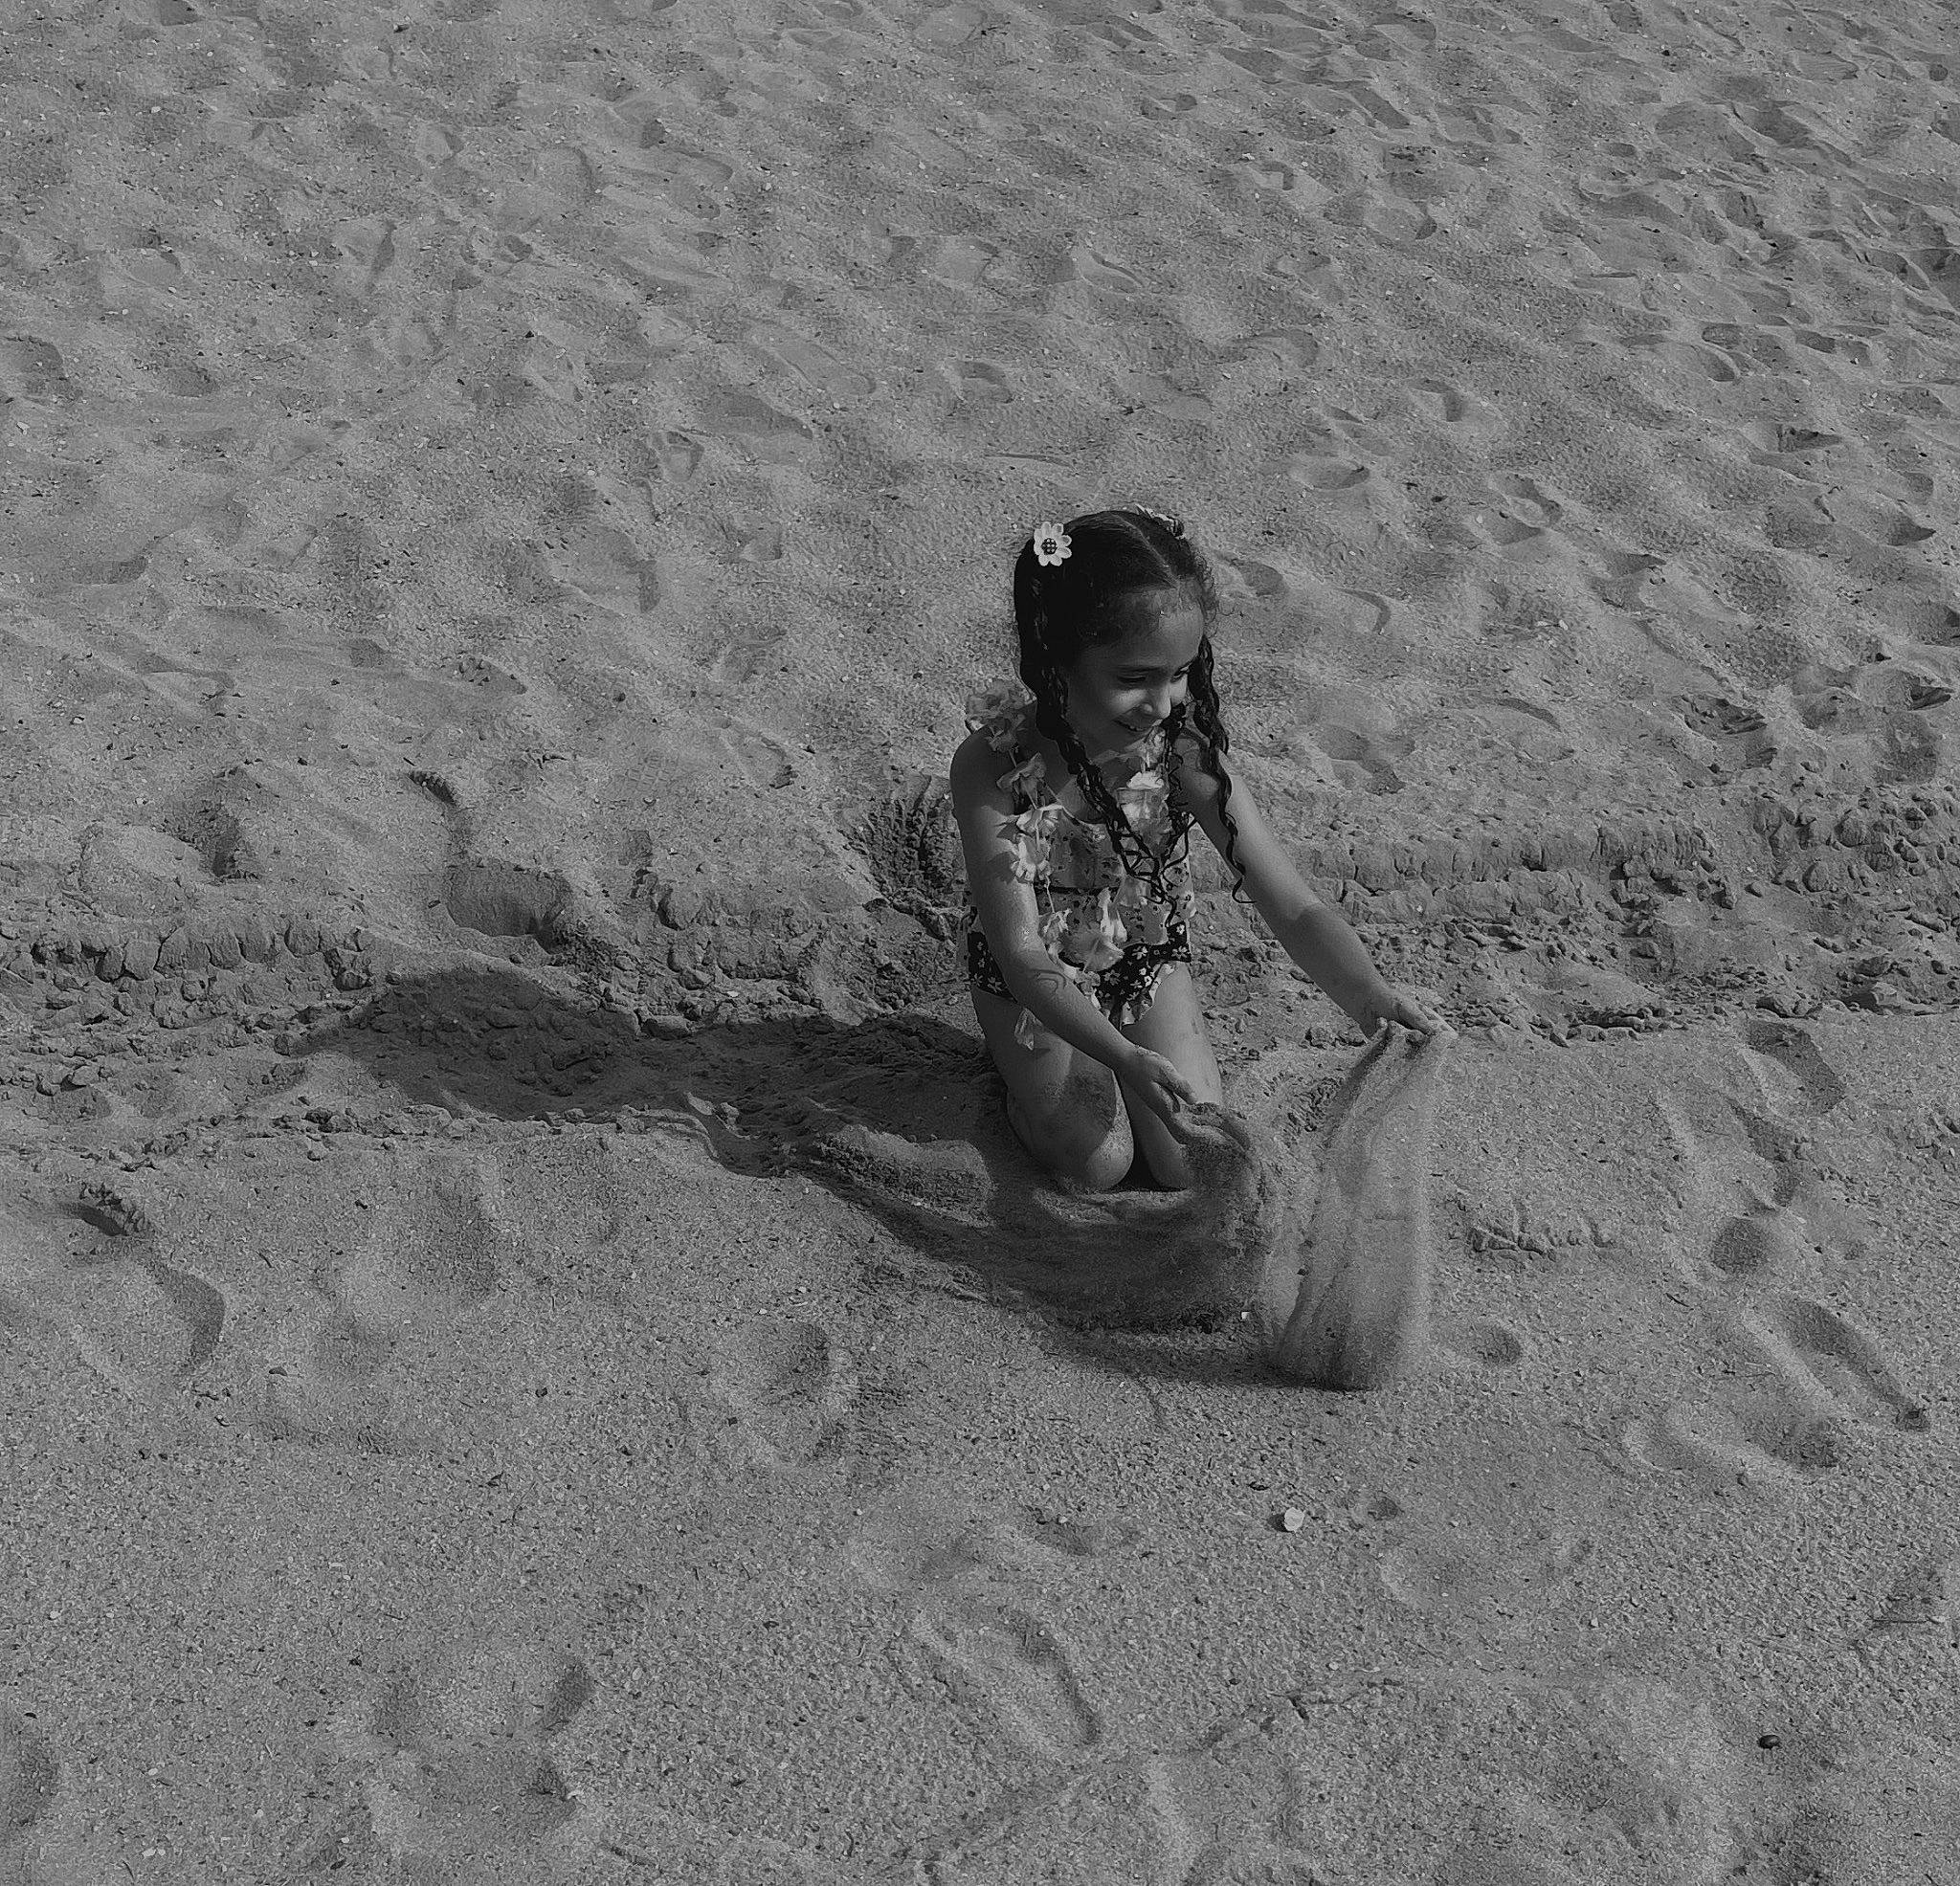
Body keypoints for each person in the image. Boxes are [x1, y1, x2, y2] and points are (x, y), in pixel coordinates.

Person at [950, 507, 1449, 1193]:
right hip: (1035, 985)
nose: (1162, 701)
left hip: (1143, 961)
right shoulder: (990, 765)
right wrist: (1124, 1056)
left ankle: (1103, 1073)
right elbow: (1021, 952)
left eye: (1180, 672)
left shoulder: (1183, 758)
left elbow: (1293, 905)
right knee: (1097, 1160)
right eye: (1135, 676)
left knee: (1195, 1159)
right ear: (1054, 652)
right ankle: (1018, 1087)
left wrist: (1371, 997)